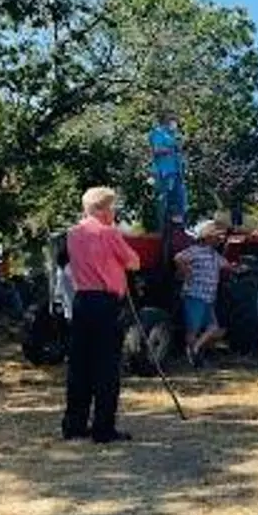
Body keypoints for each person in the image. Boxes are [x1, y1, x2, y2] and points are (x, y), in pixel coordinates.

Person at [62, 186, 141, 444]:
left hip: (82, 300)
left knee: (80, 364)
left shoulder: (73, 234)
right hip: (105, 303)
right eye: (112, 207)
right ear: (102, 209)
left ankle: (74, 424)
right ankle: (103, 428)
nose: (114, 212)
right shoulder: (109, 233)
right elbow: (134, 262)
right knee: (106, 366)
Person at [174, 221, 230, 367]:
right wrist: (186, 272)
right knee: (193, 329)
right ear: (207, 238)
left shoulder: (215, 256)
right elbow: (179, 258)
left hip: (208, 298)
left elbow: (227, 265)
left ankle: (196, 349)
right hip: (195, 295)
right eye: (216, 237)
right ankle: (192, 357)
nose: (219, 240)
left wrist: (239, 268)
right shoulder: (195, 251)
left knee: (214, 328)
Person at [149, 112, 188, 230]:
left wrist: (180, 146)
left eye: (175, 120)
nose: (174, 122)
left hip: (177, 171)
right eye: (172, 119)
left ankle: (178, 227)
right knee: (164, 200)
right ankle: (162, 228)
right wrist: (172, 148)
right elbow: (156, 150)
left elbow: (179, 149)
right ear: (165, 120)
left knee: (180, 198)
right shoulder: (158, 133)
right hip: (164, 172)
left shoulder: (174, 134)